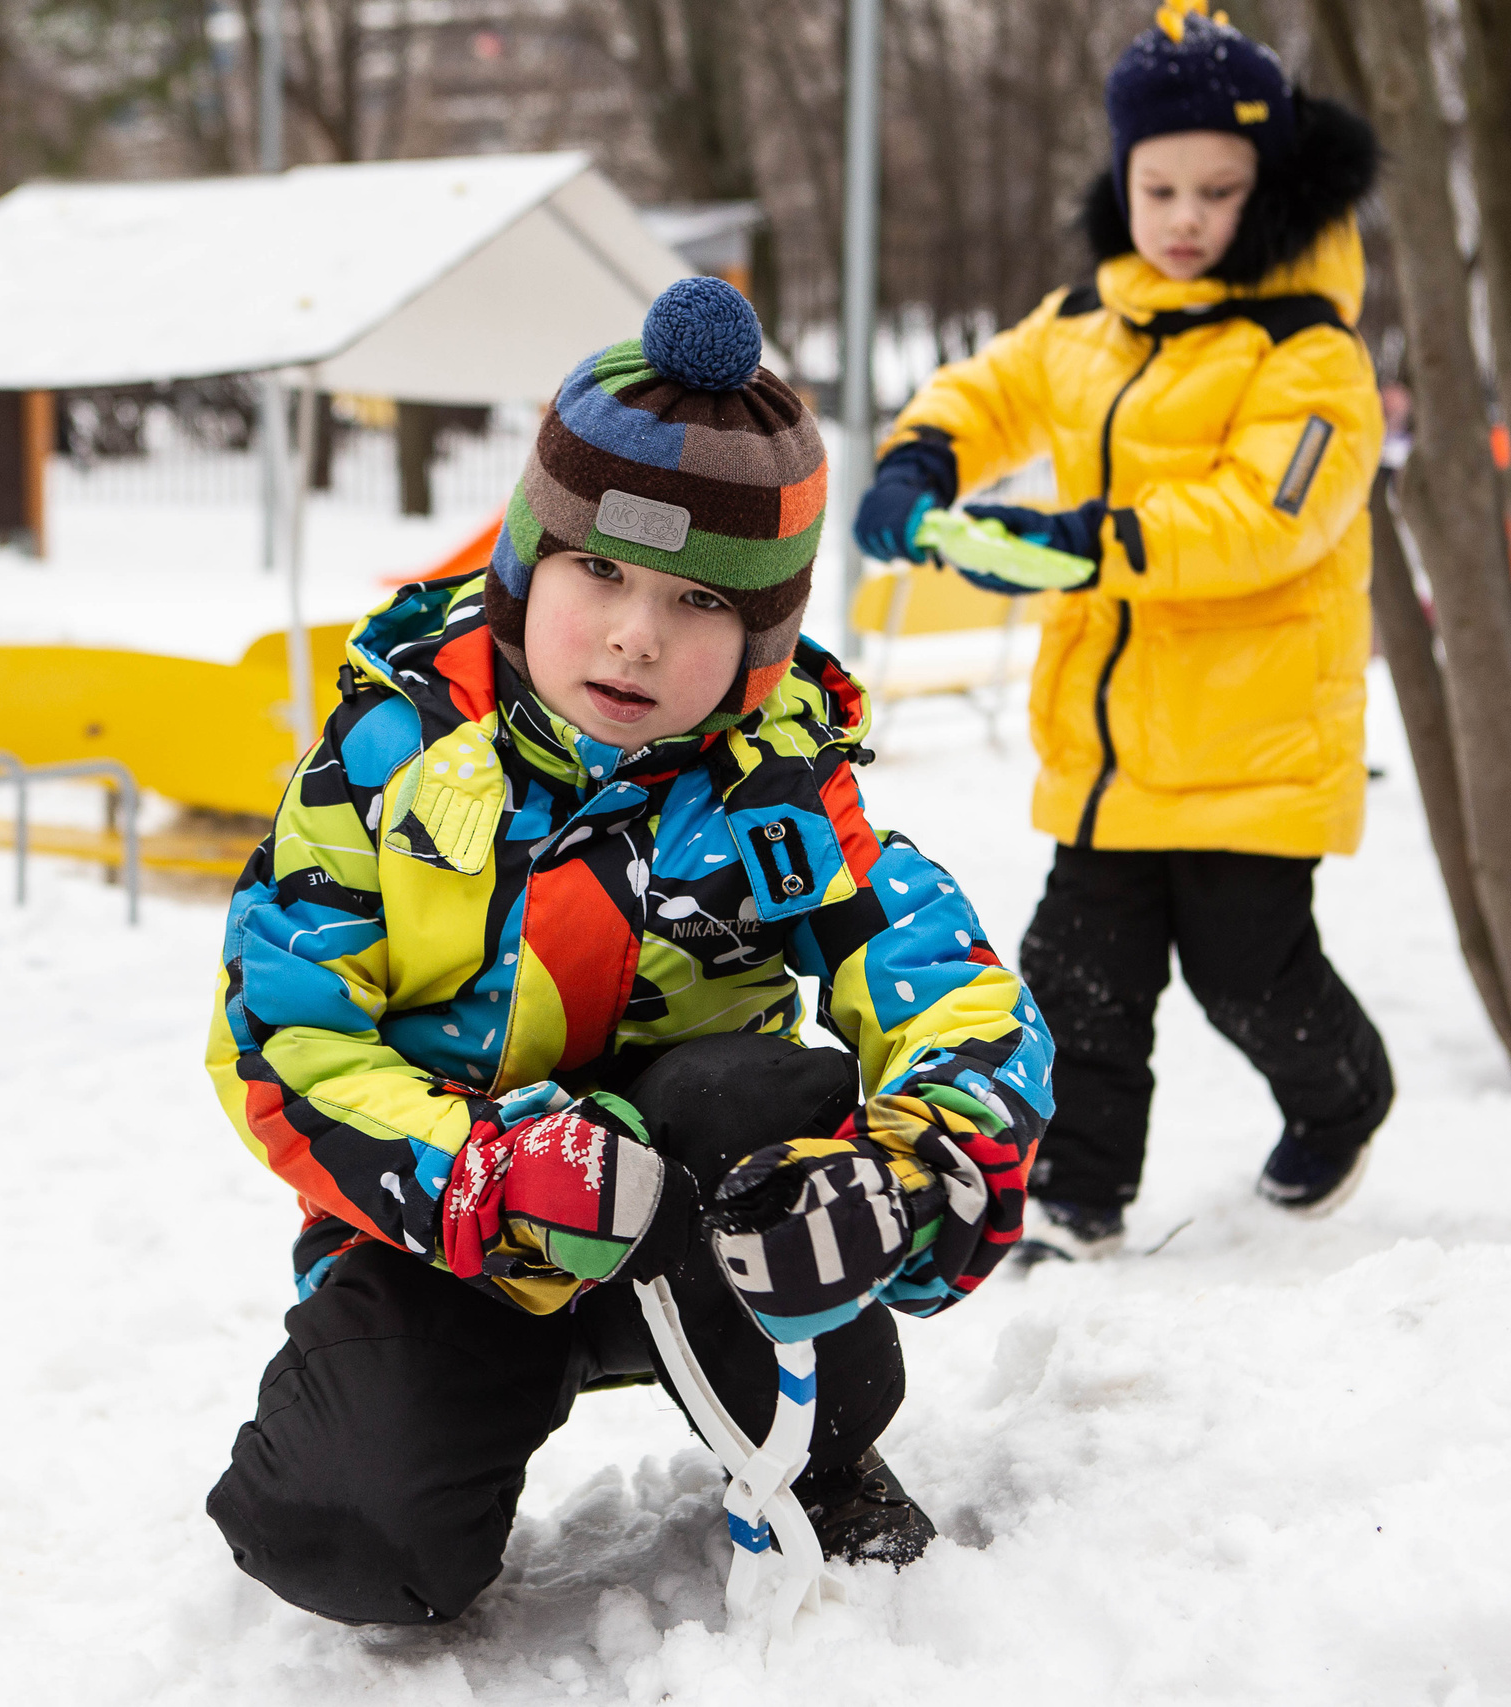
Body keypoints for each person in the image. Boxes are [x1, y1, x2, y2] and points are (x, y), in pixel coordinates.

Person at [202, 277, 1055, 1625]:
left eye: (699, 602)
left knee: (746, 1096)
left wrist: (907, 1176)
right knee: (348, 1533)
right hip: (468, 1227)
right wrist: (478, 1174)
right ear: (528, 560)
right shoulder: (391, 757)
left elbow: (951, 988)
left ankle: (816, 1459)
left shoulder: (780, 788)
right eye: (598, 568)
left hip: (712, 1233)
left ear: (760, 641)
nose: (635, 634)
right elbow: (288, 1037)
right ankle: (413, 1445)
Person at [850, 0, 1392, 1258]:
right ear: (1123, 183)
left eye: (1218, 188)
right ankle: (1077, 1197)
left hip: (1248, 747)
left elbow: (1268, 516)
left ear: (1270, 189)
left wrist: (1088, 539)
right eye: (1159, 187)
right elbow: (992, 387)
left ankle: (1342, 1097)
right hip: (1104, 755)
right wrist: (922, 455)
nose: (1187, 217)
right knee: (1076, 982)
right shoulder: (1091, 321)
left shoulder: (1310, 354)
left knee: (1247, 975)